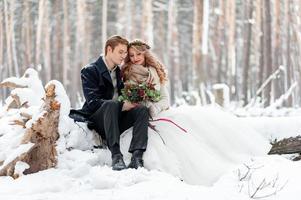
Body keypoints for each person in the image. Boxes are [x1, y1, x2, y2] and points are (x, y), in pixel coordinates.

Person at [74, 35, 149, 170]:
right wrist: (122, 105)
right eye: (120, 52)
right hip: (99, 120)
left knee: (141, 109)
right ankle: (116, 156)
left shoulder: (120, 72)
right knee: (110, 104)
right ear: (109, 49)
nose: (123, 56)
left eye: (125, 53)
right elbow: (93, 102)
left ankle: (137, 157)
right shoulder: (90, 70)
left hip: (116, 120)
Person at [121, 39, 170, 118]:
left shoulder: (155, 71)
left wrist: (156, 108)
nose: (135, 58)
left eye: (138, 54)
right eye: (132, 55)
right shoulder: (128, 72)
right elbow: (129, 99)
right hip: (137, 116)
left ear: (145, 54)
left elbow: (165, 98)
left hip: (158, 113)